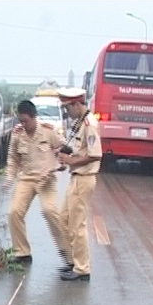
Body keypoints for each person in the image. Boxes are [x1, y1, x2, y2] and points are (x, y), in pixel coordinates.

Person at [2, 99, 67, 265]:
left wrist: (60, 163)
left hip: (46, 178)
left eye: (26, 120)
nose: (24, 124)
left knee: (50, 211)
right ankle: (22, 252)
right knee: (14, 212)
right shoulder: (17, 134)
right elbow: (13, 158)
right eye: (21, 121)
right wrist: (9, 177)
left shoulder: (48, 132)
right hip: (26, 178)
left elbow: (65, 148)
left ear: (34, 117)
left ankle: (68, 251)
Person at [55, 87, 102, 282]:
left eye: (68, 107)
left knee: (77, 224)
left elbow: (95, 154)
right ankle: (75, 262)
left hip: (84, 178)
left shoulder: (89, 123)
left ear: (76, 104)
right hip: (77, 177)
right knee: (65, 219)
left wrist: (71, 161)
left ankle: (82, 269)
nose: (67, 111)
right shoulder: (79, 122)